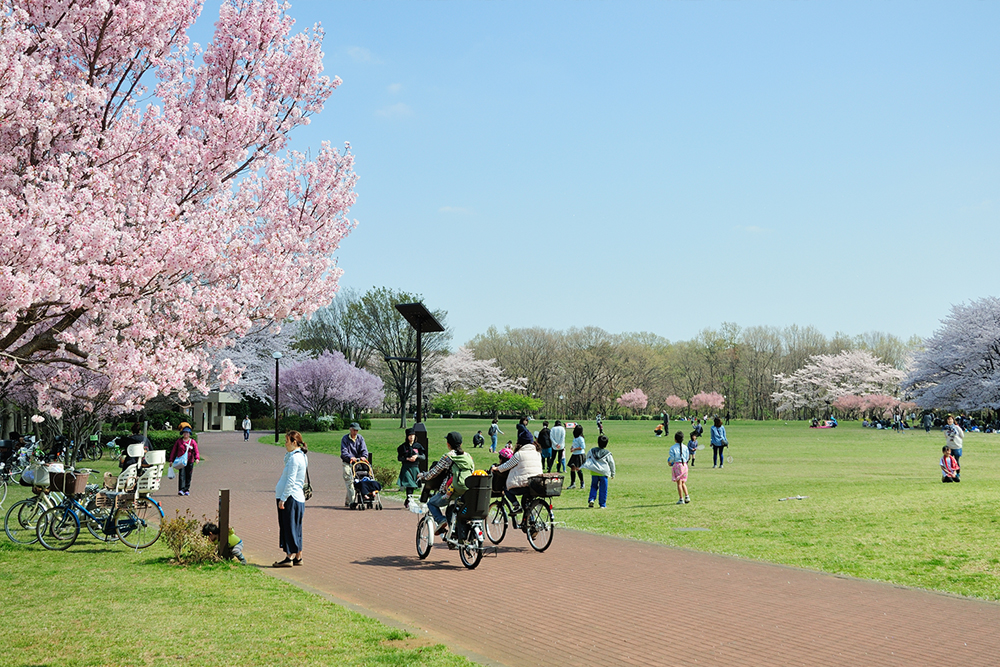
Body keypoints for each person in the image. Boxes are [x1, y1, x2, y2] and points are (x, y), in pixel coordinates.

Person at [417, 432, 474, 536]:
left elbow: (433, 473)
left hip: (450, 492)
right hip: (466, 492)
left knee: (431, 503)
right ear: (461, 444)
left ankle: (441, 520)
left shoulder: (448, 457)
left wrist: (422, 475)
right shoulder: (468, 457)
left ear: (448, 444)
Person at [273, 430, 308, 567]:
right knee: (296, 528)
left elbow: (291, 480)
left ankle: (289, 557)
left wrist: (283, 498)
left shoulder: (295, 458)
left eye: (287, 441)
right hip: (296, 497)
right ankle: (298, 556)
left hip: (291, 497)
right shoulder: (300, 456)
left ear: (294, 442)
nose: (285, 444)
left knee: (289, 527)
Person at [491, 439, 543, 514]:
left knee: (507, 489)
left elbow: (507, 465)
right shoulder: (537, 453)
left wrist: (497, 468)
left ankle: (516, 506)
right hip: (536, 484)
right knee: (526, 504)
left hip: (525, 484)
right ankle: (530, 520)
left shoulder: (519, 454)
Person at [340, 422, 369, 508]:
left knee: (357, 481)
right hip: (347, 463)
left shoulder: (360, 438)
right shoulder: (345, 439)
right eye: (354, 430)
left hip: (357, 464)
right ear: (350, 429)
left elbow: (364, 449)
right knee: (349, 482)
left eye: (357, 430)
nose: (356, 432)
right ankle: (352, 502)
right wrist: (350, 457)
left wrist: (364, 456)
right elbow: (344, 451)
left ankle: (348, 501)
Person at [397, 427, 425, 508]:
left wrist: (417, 456)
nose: (411, 437)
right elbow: (399, 458)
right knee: (409, 483)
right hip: (406, 467)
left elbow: (423, 457)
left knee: (413, 485)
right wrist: (407, 459)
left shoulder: (418, 446)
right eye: (410, 435)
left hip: (415, 467)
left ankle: (408, 500)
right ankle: (409, 500)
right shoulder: (403, 447)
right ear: (407, 436)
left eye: (413, 435)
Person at [585, 434, 615, 509]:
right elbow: (611, 463)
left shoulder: (592, 451)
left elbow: (587, 457)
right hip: (604, 473)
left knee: (594, 486)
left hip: (594, 472)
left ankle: (591, 499)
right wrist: (612, 473)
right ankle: (602, 504)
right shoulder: (607, 453)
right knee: (603, 488)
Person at [169, 426, 200, 496]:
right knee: (182, 475)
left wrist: (197, 458)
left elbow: (196, 451)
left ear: (189, 434)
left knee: (188, 475)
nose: (186, 434)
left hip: (190, 461)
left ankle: (186, 489)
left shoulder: (192, 442)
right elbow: (174, 451)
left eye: (187, 433)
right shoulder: (179, 441)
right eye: (184, 433)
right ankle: (181, 489)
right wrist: (171, 460)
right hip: (181, 461)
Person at [669, 431, 690, 504]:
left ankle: (681, 498)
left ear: (675, 439)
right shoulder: (685, 447)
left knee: (679, 483)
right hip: (685, 465)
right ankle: (687, 496)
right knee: (683, 482)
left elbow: (672, 458)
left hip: (678, 465)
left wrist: (670, 462)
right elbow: (687, 457)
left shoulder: (673, 448)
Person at [943, 415, 963, 479]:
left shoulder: (957, 427)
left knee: (956, 461)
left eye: (951, 419)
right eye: (948, 420)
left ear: (953, 420)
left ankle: (958, 474)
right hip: (949, 446)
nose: (949, 421)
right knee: (949, 461)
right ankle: (949, 474)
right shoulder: (945, 428)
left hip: (957, 446)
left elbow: (962, 435)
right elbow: (945, 436)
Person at [568, 424, 586, 489]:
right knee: (572, 468)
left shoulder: (580, 438)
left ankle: (582, 483)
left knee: (578, 469)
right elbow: (574, 445)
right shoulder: (575, 438)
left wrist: (575, 449)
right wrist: (572, 448)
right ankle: (573, 483)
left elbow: (583, 447)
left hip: (579, 454)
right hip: (574, 454)